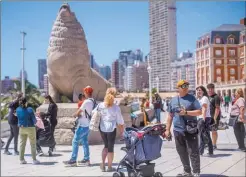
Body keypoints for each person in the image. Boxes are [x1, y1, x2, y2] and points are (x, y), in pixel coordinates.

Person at [165, 80, 202, 177]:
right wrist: (167, 130)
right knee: (181, 152)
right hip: (177, 130)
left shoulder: (192, 98)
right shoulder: (173, 100)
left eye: (187, 86)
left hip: (190, 129)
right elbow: (170, 116)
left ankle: (196, 172)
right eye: (183, 86)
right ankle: (187, 171)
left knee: (193, 151)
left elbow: (199, 112)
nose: (186, 87)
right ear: (178, 88)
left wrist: (186, 113)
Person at [63, 86, 95, 166]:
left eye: (84, 92)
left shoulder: (86, 102)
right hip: (88, 125)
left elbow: (78, 112)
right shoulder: (93, 101)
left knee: (75, 141)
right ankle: (86, 159)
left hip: (83, 125)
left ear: (86, 92)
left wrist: (74, 114)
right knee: (84, 142)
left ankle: (73, 160)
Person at [96, 87, 124, 172]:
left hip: (102, 128)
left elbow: (94, 113)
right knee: (110, 148)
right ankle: (109, 167)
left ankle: (103, 164)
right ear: (114, 95)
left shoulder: (100, 105)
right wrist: (122, 131)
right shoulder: (115, 107)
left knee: (105, 146)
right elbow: (120, 121)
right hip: (111, 129)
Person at [16, 97, 40, 164]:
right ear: (26, 102)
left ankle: (21, 160)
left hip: (21, 128)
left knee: (22, 144)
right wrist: (36, 116)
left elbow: (19, 118)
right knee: (32, 144)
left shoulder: (17, 109)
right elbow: (34, 121)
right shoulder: (30, 109)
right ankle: (34, 160)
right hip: (30, 128)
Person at [196, 86, 213, 156]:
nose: (198, 91)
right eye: (197, 90)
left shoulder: (204, 98)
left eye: (200, 90)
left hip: (204, 118)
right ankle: (210, 150)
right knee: (206, 134)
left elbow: (204, 109)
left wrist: (203, 119)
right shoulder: (200, 98)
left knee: (202, 135)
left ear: (203, 91)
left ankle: (200, 151)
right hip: (202, 117)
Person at [207, 83, 221, 150]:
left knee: (214, 131)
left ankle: (214, 144)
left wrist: (215, 118)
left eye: (211, 89)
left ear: (213, 89)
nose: (210, 90)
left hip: (214, 117)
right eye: (209, 89)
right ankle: (208, 144)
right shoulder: (208, 97)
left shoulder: (216, 97)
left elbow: (217, 108)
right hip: (208, 117)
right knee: (207, 131)